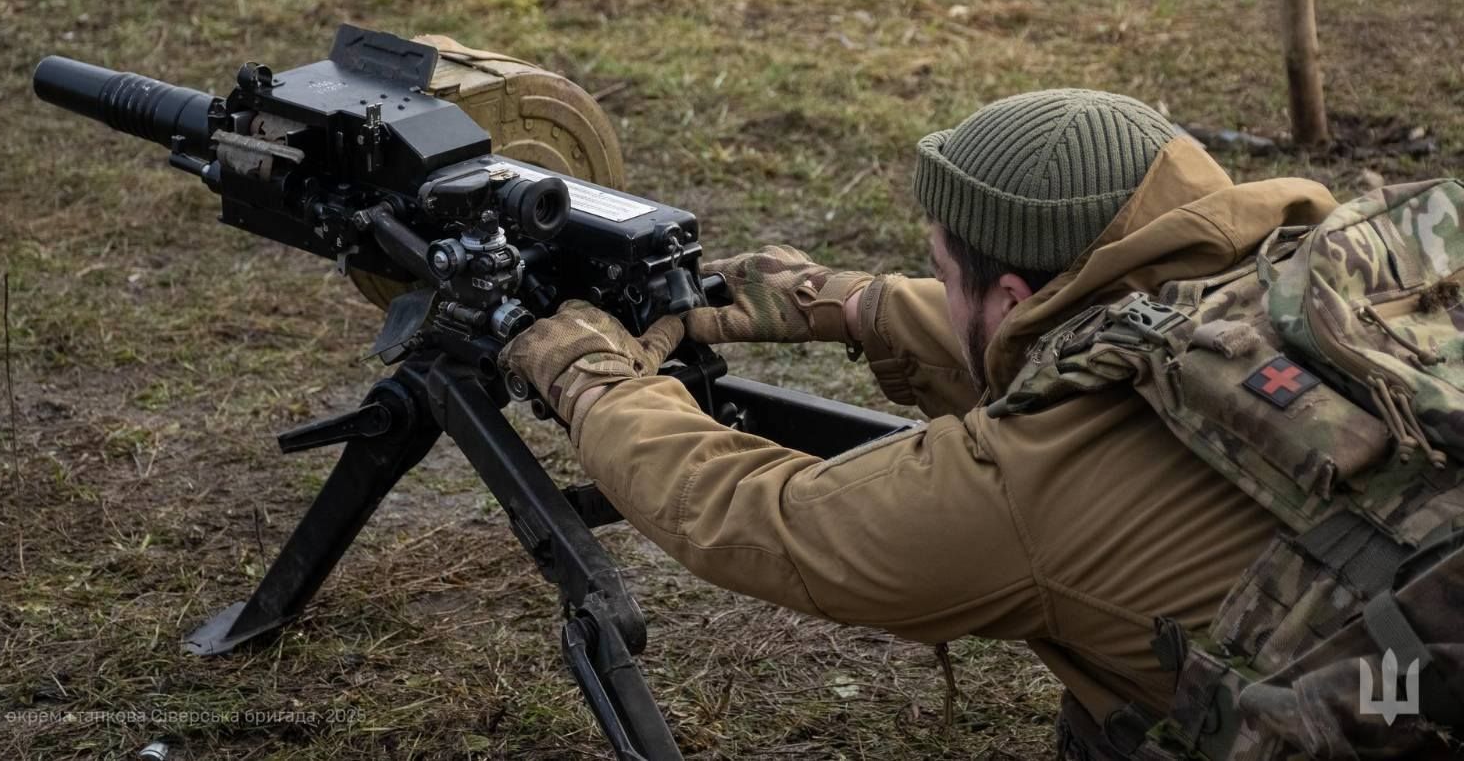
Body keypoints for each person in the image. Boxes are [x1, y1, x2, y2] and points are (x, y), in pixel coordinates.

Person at [500, 89, 1341, 758]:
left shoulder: (1025, 485)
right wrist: (851, 304)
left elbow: (768, 517)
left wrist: (594, 379)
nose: (933, 284)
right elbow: (1095, 328)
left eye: (941, 272)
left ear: (1013, 298)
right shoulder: (1312, 277)